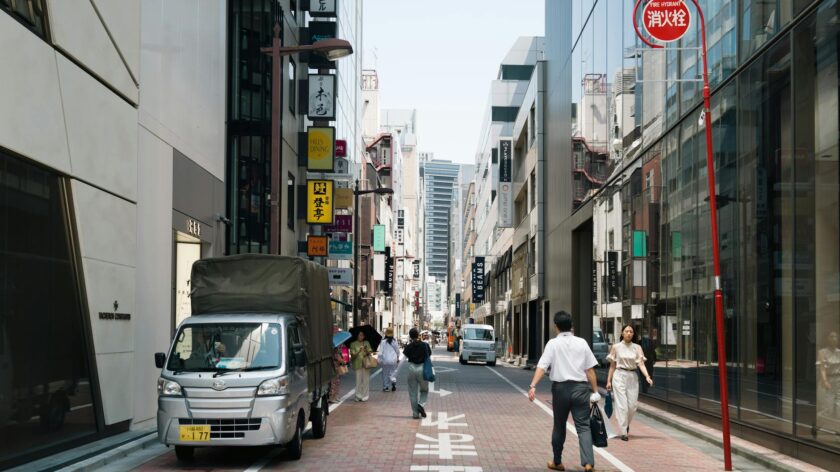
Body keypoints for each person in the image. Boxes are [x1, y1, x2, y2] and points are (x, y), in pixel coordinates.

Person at [528, 311, 601, 472]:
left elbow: (542, 366)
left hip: (560, 389)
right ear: (571, 326)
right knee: (583, 426)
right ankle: (588, 463)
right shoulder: (582, 342)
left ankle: (557, 461)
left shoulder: (552, 344)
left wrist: (533, 385)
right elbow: (589, 370)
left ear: (556, 326)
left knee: (559, 426)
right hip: (581, 389)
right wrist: (595, 391)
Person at [606, 324, 653, 441]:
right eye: (626, 331)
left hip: (632, 376)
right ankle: (623, 432)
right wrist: (608, 381)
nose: (629, 333)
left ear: (633, 334)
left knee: (632, 406)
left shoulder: (637, 348)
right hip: (619, 375)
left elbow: (641, 364)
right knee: (622, 406)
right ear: (622, 333)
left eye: (631, 331)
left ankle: (626, 425)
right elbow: (612, 365)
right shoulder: (616, 347)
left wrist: (647, 376)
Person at [403, 328, 431, 419]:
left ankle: (415, 413)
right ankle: (421, 404)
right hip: (422, 368)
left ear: (410, 336)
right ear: (418, 334)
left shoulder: (408, 346)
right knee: (424, 390)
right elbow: (429, 355)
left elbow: (404, 358)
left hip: (411, 368)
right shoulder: (425, 345)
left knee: (412, 392)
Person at [350, 331, 373, 402]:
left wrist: (366, 350)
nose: (361, 336)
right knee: (358, 381)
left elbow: (370, 353)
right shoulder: (353, 344)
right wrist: (359, 351)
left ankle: (365, 396)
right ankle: (358, 396)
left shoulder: (366, 343)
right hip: (357, 364)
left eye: (362, 335)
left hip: (366, 364)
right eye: (360, 335)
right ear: (357, 336)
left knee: (366, 381)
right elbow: (353, 356)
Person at [379, 328, 401, 392]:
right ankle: (393, 381)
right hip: (393, 359)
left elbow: (381, 352)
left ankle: (386, 387)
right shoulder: (394, 341)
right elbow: (397, 351)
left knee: (385, 373)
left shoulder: (383, 342)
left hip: (385, 360)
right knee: (393, 372)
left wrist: (379, 359)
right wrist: (398, 357)